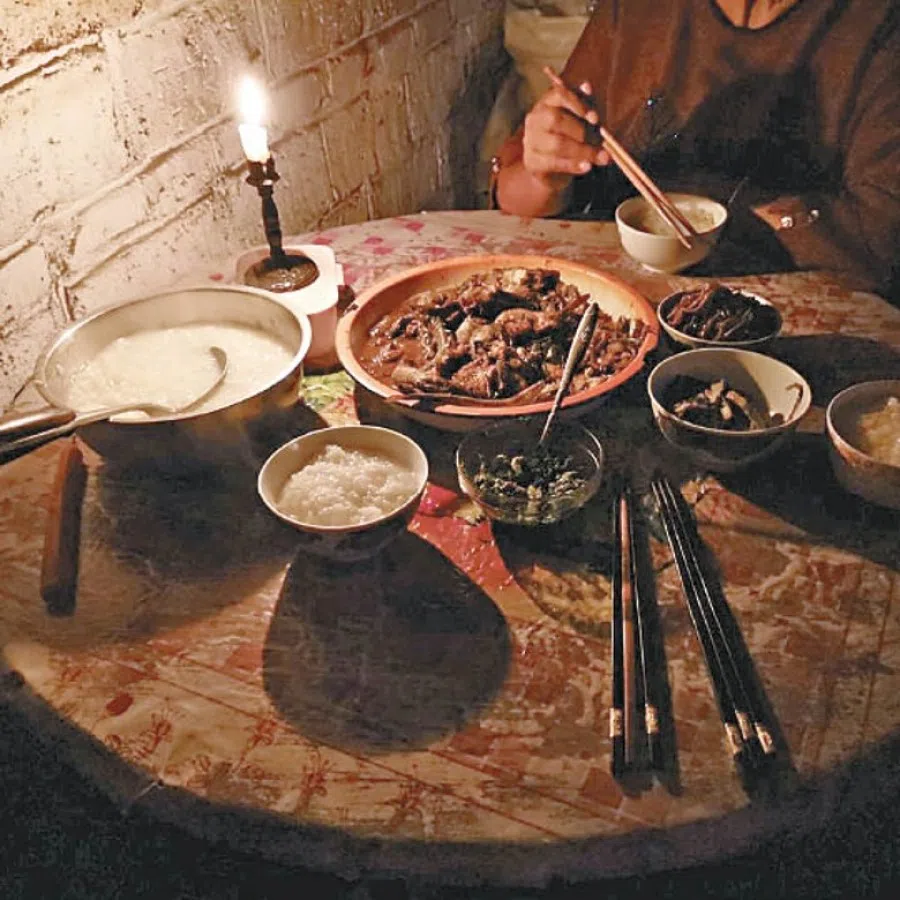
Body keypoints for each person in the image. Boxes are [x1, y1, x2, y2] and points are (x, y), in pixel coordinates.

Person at [493, 0, 900, 302]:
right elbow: (514, 189)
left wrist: (733, 221)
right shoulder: (635, 11)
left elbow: (882, 234)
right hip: (621, 306)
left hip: (782, 324)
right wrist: (543, 174)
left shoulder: (876, 25)